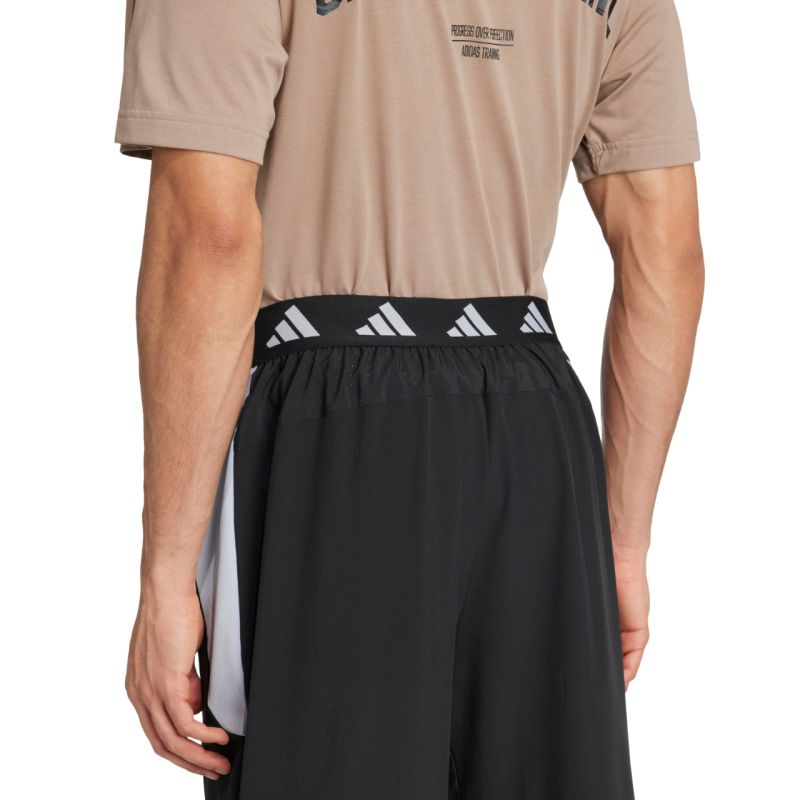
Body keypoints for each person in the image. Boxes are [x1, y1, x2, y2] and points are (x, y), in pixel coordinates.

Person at [115, 0, 703, 797]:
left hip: (331, 430)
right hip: (538, 428)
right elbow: (665, 250)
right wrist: (623, 546)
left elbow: (208, 235)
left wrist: (165, 574)